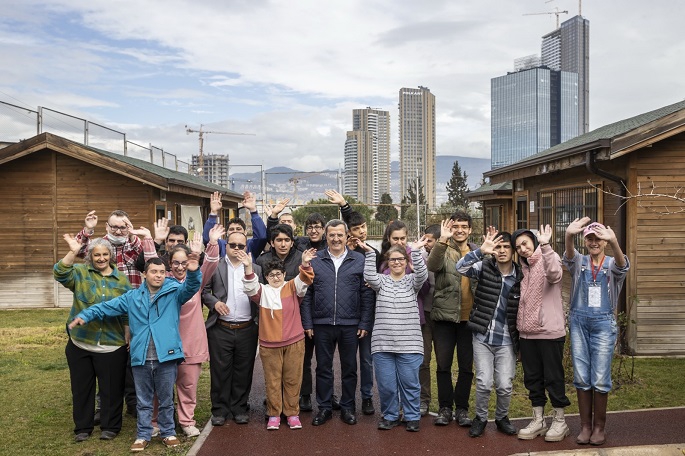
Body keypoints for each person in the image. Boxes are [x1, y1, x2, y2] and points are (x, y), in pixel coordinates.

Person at [68, 249, 202, 452]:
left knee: (166, 399)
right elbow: (105, 307)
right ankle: (143, 434)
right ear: (144, 275)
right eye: (154, 271)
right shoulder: (131, 297)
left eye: (162, 272)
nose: (158, 275)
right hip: (140, 357)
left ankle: (168, 432)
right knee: (143, 400)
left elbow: (191, 287)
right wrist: (85, 315)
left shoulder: (174, 292)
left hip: (166, 356)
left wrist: (193, 272)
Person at [144, 226, 224, 438]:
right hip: (164, 344)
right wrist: (150, 241)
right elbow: (152, 264)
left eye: (184, 262)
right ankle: (156, 422)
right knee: (160, 388)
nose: (181, 267)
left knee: (188, 386)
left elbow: (210, 265)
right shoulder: (162, 282)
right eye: (176, 263)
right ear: (170, 264)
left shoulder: (194, 283)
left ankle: (187, 421)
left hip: (191, 342)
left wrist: (213, 242)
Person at [55, 235, 132, 442]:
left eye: (105, 254)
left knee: (111, 389)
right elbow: (59, 273)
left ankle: (110, 427)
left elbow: (126, 309)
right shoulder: (80, 273)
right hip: (80, 342)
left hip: (111, 344)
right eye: (96, 254)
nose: (101, 258)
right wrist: (72, 251)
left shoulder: (122, 280)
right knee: (81, 389)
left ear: (111, 256)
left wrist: (127, 330)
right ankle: (83, 428)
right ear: (90, 256)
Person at [300, 219, 375, 426]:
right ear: (326, 236)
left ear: (346, 236)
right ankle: (324, 408)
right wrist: (307, 322)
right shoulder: (315, 260)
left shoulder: (359, 260)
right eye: (331, 235)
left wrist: (365, 323)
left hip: (350, 324)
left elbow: (366, 294)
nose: (335, 238)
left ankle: (348, 407)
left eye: (340, 235)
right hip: (321, 323)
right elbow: (307, 294)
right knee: (323, 368)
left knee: (349, 367)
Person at [563, 218, 629, 446]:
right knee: (581, 376)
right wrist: (569, 236)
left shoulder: (611, 264)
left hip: (603, 324)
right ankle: (585, 426)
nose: (594, 242)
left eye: (598, 239)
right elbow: (568, 256)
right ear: (585, 241)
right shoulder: (579, 262)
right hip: (579, 323)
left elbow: (623, 266)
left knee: (600, 377)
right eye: (590, 238)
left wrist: (615, 242)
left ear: (604, 242)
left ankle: (599, 427)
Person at [75, 209, 143, 418]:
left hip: (134, 308)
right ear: (107, 226)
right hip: (104, 309)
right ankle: (101, 406)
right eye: (114, 226)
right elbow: (78, 250)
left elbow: (140, 257)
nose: (118, 230)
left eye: (123, 226)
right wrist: (87, 229)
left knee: (134, 357)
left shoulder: (133, 242)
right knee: (104, 360)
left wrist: (132, 235)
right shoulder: (99, 244)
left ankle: (133, 403)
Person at [241, 248, 317, 430]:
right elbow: (250, 287)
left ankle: (292, 413)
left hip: (294, 342)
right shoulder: (262, 291)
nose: (276, 277)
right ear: (266, 277)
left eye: (279, 274)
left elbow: (305, 280)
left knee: (293, 379)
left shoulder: (292, 287)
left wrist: (305, 263)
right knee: (273, 380)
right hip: (269, 344)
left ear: (284, 274)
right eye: (271, 275)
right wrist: (248, 267)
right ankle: (274, 414)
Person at [457, 227, 522, 438]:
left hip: (507, 340)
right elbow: (460, 268)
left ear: (513, 251)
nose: (501, 251)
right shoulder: (484, 266)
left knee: (504, 385)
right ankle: (481, 418)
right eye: (498, 247)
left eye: (506, 247)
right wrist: (480, 251)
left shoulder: (521, 276)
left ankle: (502, 417)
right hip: (483, 336)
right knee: (484, 382)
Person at [358, 237, 428, 432]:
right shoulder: (380, 282)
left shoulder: (413, 282)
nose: (397, 262)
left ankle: (412, 416)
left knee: (410, 384)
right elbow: (369, 275)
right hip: (383, 344)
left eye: (400, 259)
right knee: (387, 385)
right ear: (387, 263)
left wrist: (414, 251)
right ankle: (390, 415)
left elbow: (422, 274)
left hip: (410, 344)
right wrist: (370, 253)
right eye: (392, 259)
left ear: (406, 262)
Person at [512, 226, 571, 442]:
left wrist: (545, 245)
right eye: (518, 247)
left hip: (549, 332)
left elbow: (555, 275)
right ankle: (538, 419)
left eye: (526, 243)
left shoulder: (549, 257)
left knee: (553, 378)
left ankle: (560, 421)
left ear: (534, 242)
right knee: (533, 379)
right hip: (527, 333)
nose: (523, 249)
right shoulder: (523, 268)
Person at [326, 189, 379, 415]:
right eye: (355, 229)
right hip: (342, 318)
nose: (360, 232)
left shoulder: (371, 253)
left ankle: (366, 396)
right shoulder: (339, 251)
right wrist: (344, 206)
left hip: (365, 316)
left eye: (363, 228)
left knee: (365, 360)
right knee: (340, 363)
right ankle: (333, 398)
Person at [202, 231, 262, 426]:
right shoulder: (215, 266)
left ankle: (239, 408)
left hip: (247, 327)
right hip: (221, 327)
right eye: (233, 245)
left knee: (243, 371)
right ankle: (219, 409)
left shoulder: (257, 269)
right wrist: (214, 303)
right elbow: (204, 290)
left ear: (247, 247)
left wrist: (249, 268)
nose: (237, 249)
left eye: (241, 246)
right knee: (220, 370)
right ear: (225, 246)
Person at [427, 213, 478, 426]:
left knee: (466, 367)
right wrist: (442, 240)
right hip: (444, 318)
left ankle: (463, 409)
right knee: (443, 365)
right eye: (455, 226)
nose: (459, 230)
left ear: (470, 230)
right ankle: (445, 408)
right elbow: (432, 265)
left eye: (464, 226)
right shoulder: (442, 249)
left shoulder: (478, 252)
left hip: (470, 319)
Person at [202, 191, 268, 260]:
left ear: (245, 232)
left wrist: (253, 211)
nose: (235, 231)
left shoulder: (250, 246)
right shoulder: (221, 245)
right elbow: (208, 239)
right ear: (226, 233)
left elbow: (261, 237)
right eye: (231, 229)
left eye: (238, 229)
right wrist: (213, 213)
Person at [419, 224, 440, 416]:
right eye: (424, 239)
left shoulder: (448, 258)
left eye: (429, 240)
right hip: (425, 316)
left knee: (443, 363)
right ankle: (424, 400)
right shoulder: (421, 259)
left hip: (443, 318)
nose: (425, 243)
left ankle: (445, 405)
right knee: (423, 361)